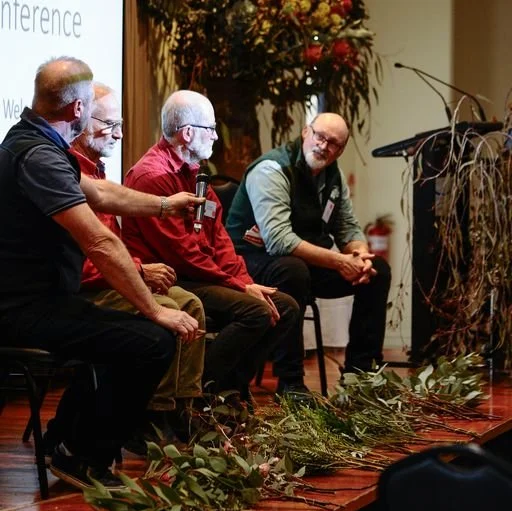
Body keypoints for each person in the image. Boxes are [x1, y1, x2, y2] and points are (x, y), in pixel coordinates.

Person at [0, 57, 203, 490]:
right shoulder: (39, 157)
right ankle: (81, 456)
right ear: (77, 109)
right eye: (91, 105)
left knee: (126, 336)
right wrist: (154, 310)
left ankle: (63, 439)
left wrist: (164, 205)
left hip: (43, 300)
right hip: (23, 309)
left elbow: (101, 192)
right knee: (152, 341)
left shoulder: (32, 140)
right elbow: (99, 241)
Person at [122, 90, 308, 401]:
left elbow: (220, 242)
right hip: (171, 280)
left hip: (199, 276)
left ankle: (227, 390)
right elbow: (182, 255)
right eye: (211, 128)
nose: (216, 136)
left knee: (284, 308)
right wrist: (241, 286)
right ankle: (203, 392)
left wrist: (247, 283)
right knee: (257, 313)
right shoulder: (152, 177)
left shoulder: (196, 175)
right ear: (188, 133)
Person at [68, 82, 205, 446]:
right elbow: (90, 257)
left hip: (111, 279)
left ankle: (180, 411)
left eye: (121, 124)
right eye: (110, 124)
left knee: (190, 305)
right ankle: (149, 417)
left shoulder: (97, 171)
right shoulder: (68, 173)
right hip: (86, 290)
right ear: (80, 120)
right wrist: (141, 271)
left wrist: (138, 269)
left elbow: (112, 245)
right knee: (171, 312)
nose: (119, 134)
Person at [226, 113, 391, 373]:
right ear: (305, 132)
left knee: (376, 271)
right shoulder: (272, 169)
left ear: (341, 150)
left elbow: (347, 226)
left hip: (301, 262)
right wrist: (339, 261)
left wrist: (360, 256)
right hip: (250, 262)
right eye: (319, 136)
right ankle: (290, 378)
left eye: (333, 143)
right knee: (292, 270)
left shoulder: (332, 176)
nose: (323, 146)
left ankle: (361, 374)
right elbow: (279, 240)